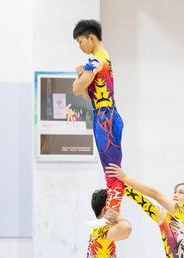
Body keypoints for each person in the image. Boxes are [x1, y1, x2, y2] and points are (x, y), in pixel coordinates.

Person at [72, 20, 124, 226]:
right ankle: (112, 212)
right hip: (104, 117)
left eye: (80, 41)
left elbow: (77, 89)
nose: (80, 46)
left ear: (91, 38)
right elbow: (86, 94)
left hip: (106, 119)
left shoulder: (97, 60)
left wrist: (80, 74)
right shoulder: (101, 59)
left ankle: (112, 214)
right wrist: (81, 75)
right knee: (110, 170)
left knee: (112, 171)